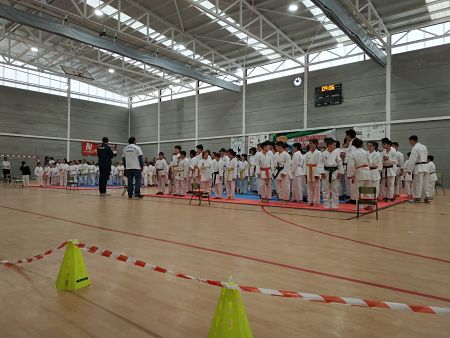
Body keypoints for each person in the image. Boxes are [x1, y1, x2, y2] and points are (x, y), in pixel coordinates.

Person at [347, 138, 371, 207]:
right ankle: (368, 205)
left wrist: (350, 174)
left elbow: (351, 165)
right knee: (367, 190)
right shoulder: (366, 152)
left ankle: (360, 207)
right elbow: (370, 163)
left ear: (353, 145)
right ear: (362, 144)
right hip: (367, 172)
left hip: (359, 173)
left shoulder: (353, 153)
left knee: (358, 190)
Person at [320, 139, 343, 209]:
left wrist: (340, 172)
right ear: (329, 145)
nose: (335, 146)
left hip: (335, 172)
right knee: (325, 189)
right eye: (334, 145)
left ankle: (335, 205)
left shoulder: (336, 153)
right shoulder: (323, 153)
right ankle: (326, 205)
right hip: (326, 172)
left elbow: (339, 163)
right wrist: (321, 172)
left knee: (335, 189)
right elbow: (320, 164)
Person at [406, 135, 430, 203]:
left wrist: (409, 169)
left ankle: (418, 198)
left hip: (419, 167)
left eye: (410, 141)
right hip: (426, 166)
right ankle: (426, 197)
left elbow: (412, 159)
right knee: (425, 183)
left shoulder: (415, 148)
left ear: (412, 140)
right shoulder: (424, 146)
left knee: (418, 183)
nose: (410, 143)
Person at [303, 139, 322, 206]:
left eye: (311, 143)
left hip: (315, 170)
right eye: (309, 143)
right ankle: (310, 201)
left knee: (316, 187)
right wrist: (305, 173)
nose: (310, 145)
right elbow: (304, 164)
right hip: (308, 170)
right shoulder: (307, 154)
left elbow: (320, 164)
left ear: (316, 144)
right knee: (309, 187)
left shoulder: (319, 153)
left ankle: (316, 202)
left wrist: (317, 173)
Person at [344, 129, 357, 203]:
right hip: (349, 165)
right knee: (350, 183)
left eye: (346, 135)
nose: (345, 137)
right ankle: (352, 197)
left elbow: (352, 156)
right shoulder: (351, 144)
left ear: (349, 135)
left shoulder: (353, 145)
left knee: (352, 183)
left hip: (352, 165)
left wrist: (345, 156)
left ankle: (354, 198)